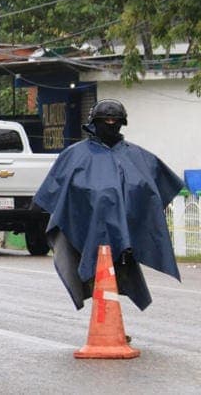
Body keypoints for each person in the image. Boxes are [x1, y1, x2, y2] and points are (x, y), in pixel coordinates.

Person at [33, 99, 184, 311]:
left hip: (126, 235)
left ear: (122, 123)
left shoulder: (138, 156)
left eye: (115, 120)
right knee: (92, 271)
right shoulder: (75, 155)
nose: (111, 124)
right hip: (85, 230)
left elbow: (154, 192)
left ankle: (111, 313)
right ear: (94, 122)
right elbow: (53, 192)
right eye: (106, 120)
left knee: (117, 273)